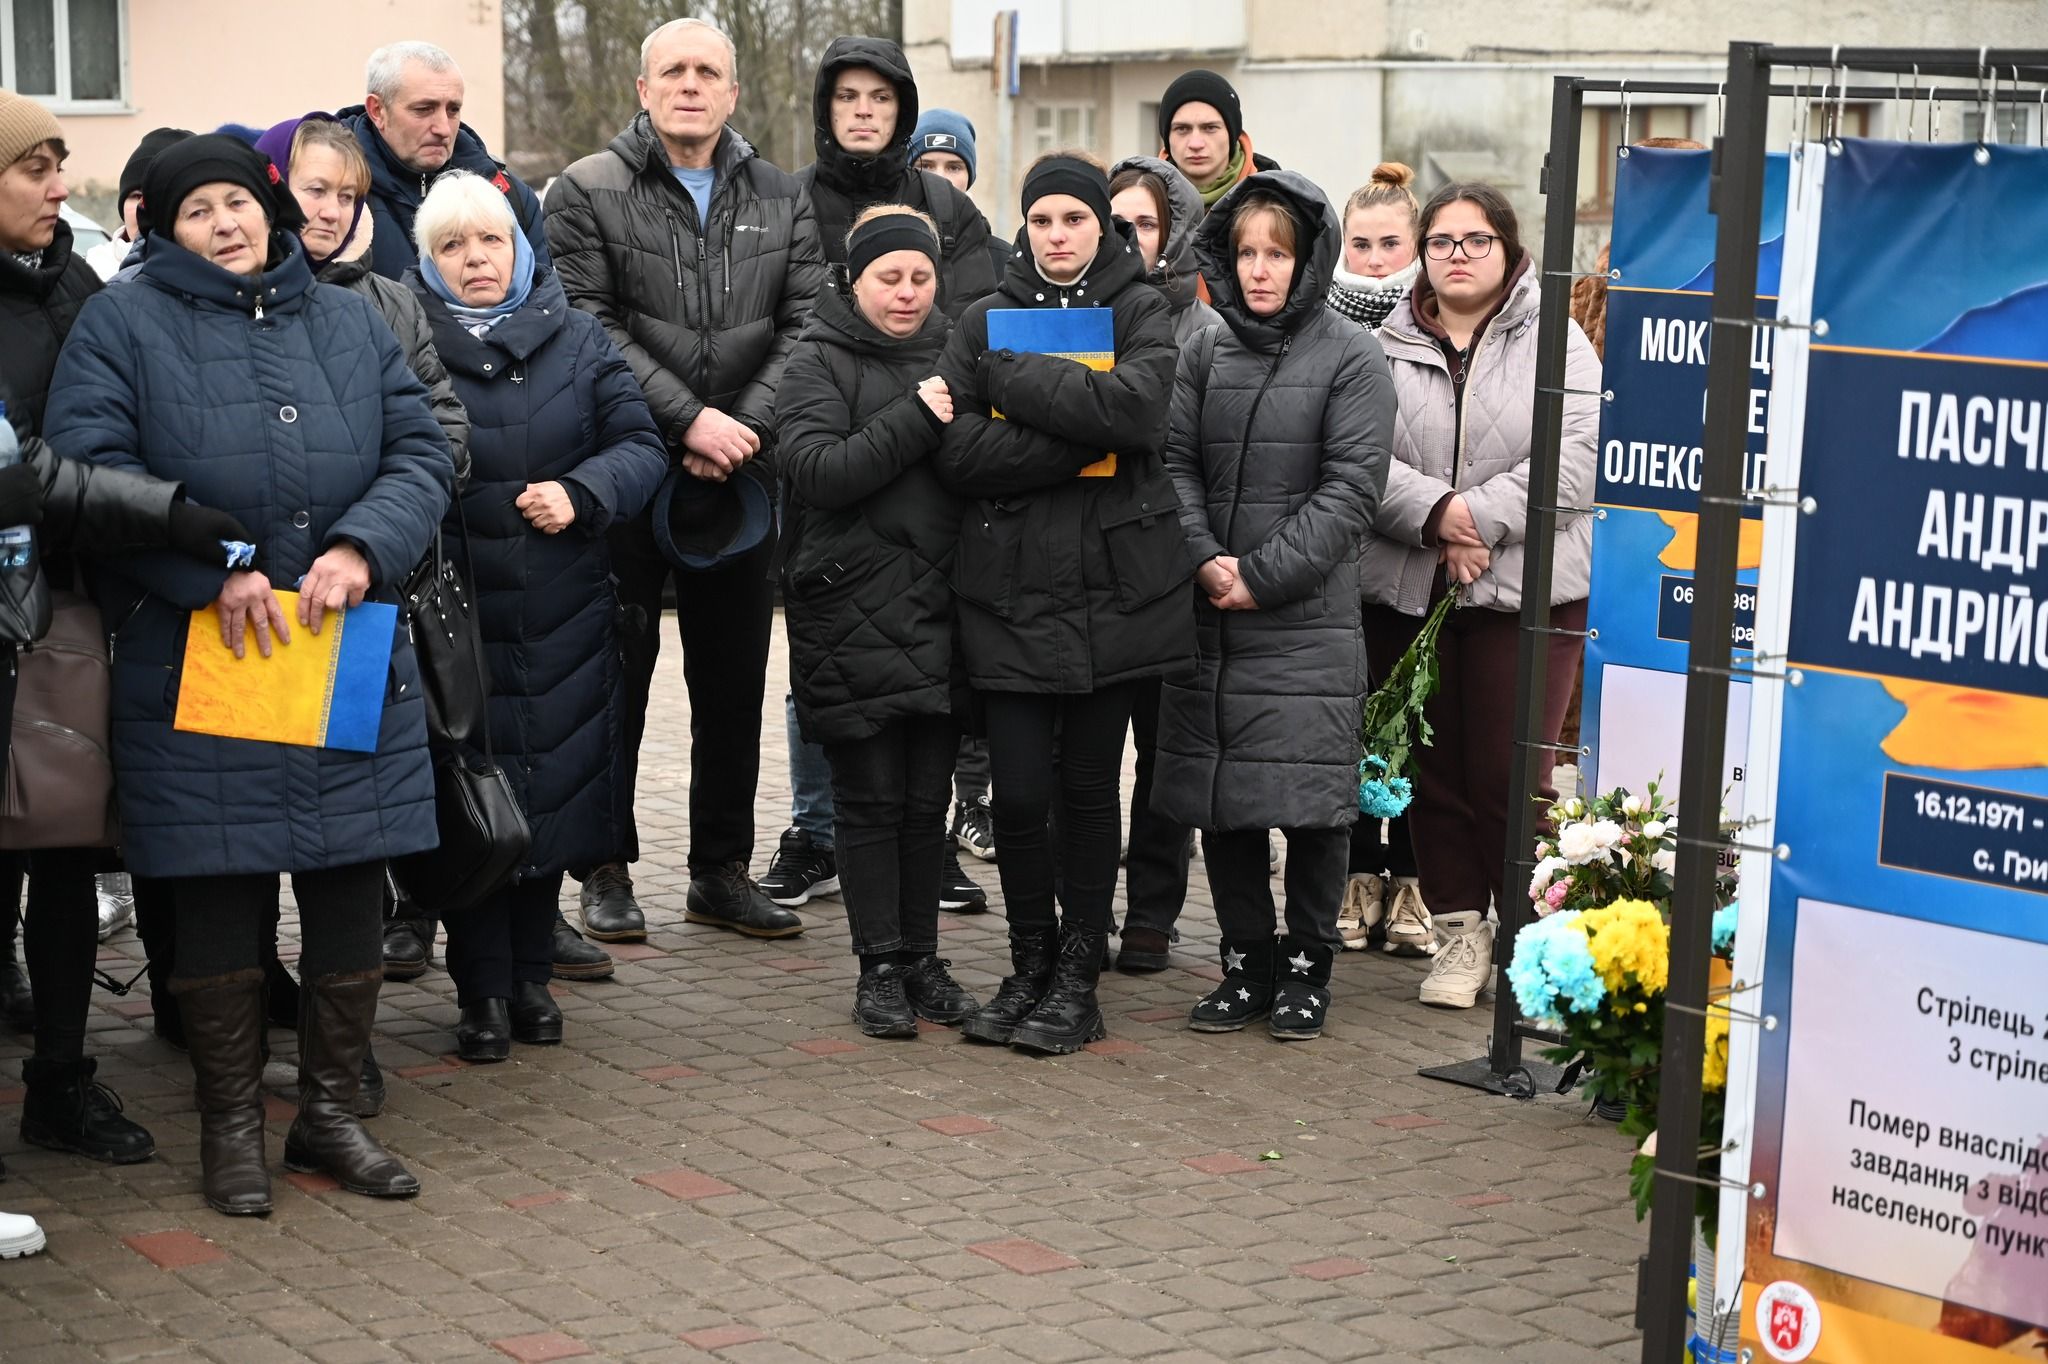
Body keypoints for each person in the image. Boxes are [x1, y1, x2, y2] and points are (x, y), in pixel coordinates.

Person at [46, 132, 454, 1215]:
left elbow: (421, 453)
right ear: (160, 227)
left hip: (341, 645)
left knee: (347, 887)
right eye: (199, 211)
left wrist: (364, 546)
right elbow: (89, 476)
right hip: (203, 658)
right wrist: (205, 566)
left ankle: (328, 1117)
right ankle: (229, 1125)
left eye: (238, 201)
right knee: (221, 890)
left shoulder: (345, 316)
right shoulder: (119, 322)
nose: (226, 223)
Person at [0, 94, 254, 1241]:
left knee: (68, 850)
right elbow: (26, 470)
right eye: (35, 167)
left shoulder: (74, 283)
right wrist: (174, 508)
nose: (61, 187)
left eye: (59, 163)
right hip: (19, 596)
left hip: (74, 606)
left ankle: (61, 1075)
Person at [545, 17, 826, 942]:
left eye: (710, 71)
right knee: (616, 674)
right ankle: (606, 868)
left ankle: (720, 870)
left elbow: (809, 323)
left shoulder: (784, 197)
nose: (692, 85)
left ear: (733, 93)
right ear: (643, 88)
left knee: (734, 678)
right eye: (674, 71)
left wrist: (741, 427)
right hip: (625, 468)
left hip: (741, 478)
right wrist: (688, 418)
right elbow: (587, 323)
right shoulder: (585, 190)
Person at [934, 151, 1189, 1054]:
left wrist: (1011, 384)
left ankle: (1078, 977)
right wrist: (1075, 441)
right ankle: (1028, 963)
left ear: (1100, 227)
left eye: (1073, 220)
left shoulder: (1139, 306)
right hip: (1005, 592)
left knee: (1087, 790)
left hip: (1115, 591)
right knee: (1016, 796)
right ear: (1024, 228)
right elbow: (955, 454)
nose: (1057, 237)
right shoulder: (979, 317)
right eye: (1041, 221)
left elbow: (1138, 414)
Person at [407, 171, 666, 1060]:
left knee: (548, 793)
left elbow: (641, 446)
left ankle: (530, 981)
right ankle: (479, 993)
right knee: (474, 802)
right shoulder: (408, 340)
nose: (474, 260)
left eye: (490, 241)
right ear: (428, 262)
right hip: (454, 614)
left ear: (519, 247)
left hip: (562, 611)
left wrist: (581, 490)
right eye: (452, 246)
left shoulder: (581, 338)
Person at [1153, 172, 1392, 1040]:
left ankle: (1306, 967)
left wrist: (1258, 575)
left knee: (1312, 805)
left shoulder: (1352, 356)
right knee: (1225, 800)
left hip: (1304, 622)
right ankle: (1245, 962)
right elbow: (1172, 462)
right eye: (1247, 253)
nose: (1260, 270)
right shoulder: (1204, 350)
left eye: (1277, 255)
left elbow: (1351, 489)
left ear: (1308, 260)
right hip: (1211, 613)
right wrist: (1205, 560)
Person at [1367, 182, 1598, 1009]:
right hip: (1412, 585)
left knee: (1514, 777)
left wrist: (1477, 519)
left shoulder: (1557, 339)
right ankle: (1460, 934)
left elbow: (1577, 455)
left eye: (1475, 240)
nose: (1456, 254)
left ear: (1508, 250)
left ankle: (1533, 947)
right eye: (1441, 241)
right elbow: (1358, 453)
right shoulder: (1383, 343)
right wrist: (1435, 518)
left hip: (1527, 592)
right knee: (1433, 776)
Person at [775, 206, 981, 1037]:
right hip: (850, 608)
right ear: (852, 281)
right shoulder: (815, 361)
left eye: (921, 278)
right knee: (868, 798)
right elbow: (817, 470)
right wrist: (917, 415)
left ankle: (924, 962)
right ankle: (878, 968)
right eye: (888, 278)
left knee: (926, 800)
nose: (905, 293)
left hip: (943, 605)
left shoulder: (961, 353)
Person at [1093, 154, 1221, 975]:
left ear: (1173, 230)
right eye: (1115, 223)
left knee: (1166, 756)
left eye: (1144, 222)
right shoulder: (1073, 317)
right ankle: (1086, 903)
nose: (1127, 238)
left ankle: (1153, 912)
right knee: (1090, 758)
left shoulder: (1207, 330)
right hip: (1091, 571)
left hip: (1174, 570)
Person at [1324, 161, 1433, 957]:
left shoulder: (1440, 320)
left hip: (1420, 549)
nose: (1372, 258)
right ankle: (1361, 875)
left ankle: (1417, 883)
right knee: (1355, 723)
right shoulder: (1322, 320)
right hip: (1341, 558)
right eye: (1360, 243)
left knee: (1417, 725)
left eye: (1389, 242)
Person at [797, 38, 996, 320]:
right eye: (847, 96)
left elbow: (969, 332)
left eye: (881, 97)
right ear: (826, 107)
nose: (864, 110)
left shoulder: (951, 207)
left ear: (901, 109)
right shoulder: (787, 202)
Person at [340, 41, 550, 282]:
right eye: (424, 109)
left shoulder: (509, 196)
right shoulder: (334, 196)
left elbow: (543, 304)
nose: (443, 128)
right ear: (377, 110)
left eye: (453, 110)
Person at [1157, 69, 1280, 218]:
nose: (1196, 144)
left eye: (1210, 128)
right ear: (1167, 138)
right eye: (1182, 129)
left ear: (1232, 134)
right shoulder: (1140, 203)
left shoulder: (1279, 202)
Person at [907, 109, 1010, 285]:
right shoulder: (882, 252)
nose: (940, 178)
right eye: (926, 166)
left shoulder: (1005, 260)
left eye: (954, 167)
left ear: (970, 177)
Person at [85, 126, 191, 281]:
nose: (145, 207)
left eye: (162, 196)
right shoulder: (91, 268)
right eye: (136, 196)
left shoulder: (217, 267)